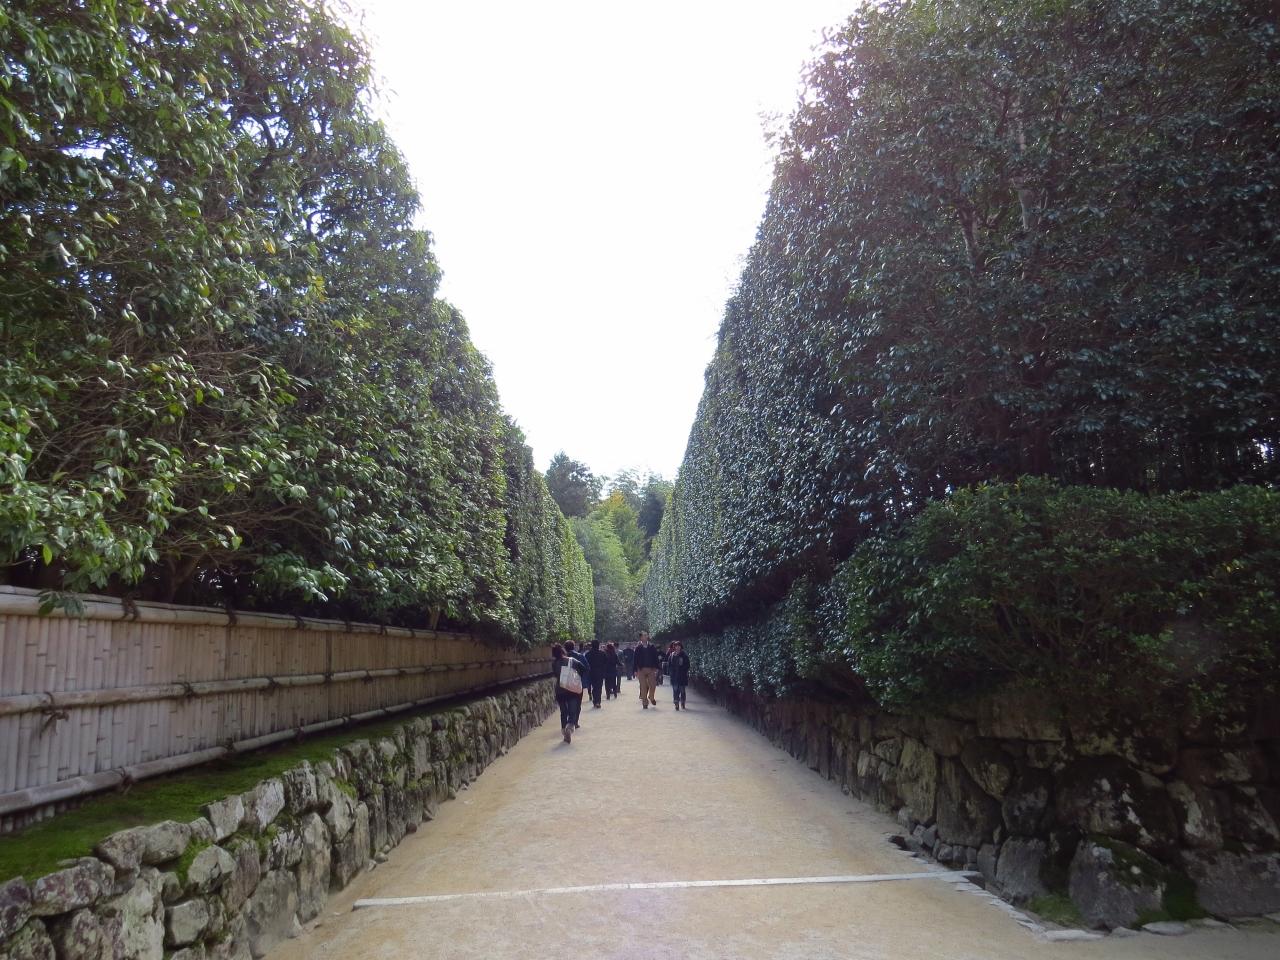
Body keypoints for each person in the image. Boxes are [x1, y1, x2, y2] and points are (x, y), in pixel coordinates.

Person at [550, 644, 585, 742]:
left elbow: (556, 675)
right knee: (572, 712)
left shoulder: (554, 664)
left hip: (560, 690)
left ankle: (564, 733)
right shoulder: (571, 660)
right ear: (563, 651)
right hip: (571, 690)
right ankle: (569, 728)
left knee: (563, 712)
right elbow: (583, 668)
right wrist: (577, 676)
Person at [563, 640, 589, 728]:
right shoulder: (580, 656)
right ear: (574, 647)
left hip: (565, 684)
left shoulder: (563, 657)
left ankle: (568, 721)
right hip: (577, 684)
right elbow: (587, 668)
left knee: (567, 703)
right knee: (577, 704)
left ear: (565, 648)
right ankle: (575, 722)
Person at [633, 632, 660, 708]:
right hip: (641, 669)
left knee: (653, 684)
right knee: (643, 686)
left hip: (651, 669)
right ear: (641, 637)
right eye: (644, 635)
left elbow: (656, 657)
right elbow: (635, 659)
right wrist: (635, 670)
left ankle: (651, 697)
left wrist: (657, 668)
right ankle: (645, 703)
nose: (646, 636)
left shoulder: (652, 647)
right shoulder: (638, 648)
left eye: (646, 635)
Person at [585, 639, 608, 708]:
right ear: (598, 645)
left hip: (591, 672)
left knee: (594, 687)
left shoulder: (588, 654)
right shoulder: (602, 653)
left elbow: (586, 664)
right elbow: (606, 663)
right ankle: (598, 701)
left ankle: (595, 701)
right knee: (599, 687)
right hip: (600, 672)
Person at [667, 640, 690, 710]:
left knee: (682, 690)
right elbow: (669, 665)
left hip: (682, 676)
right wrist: (671, 672)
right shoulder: (672, 655)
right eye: (676, 646)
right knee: (675, 690)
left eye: (678, 646)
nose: (677, 647)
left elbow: (688, 665)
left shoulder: (684, 655)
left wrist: (683, 669)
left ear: (681, 647)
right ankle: (676, 703)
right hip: (674, 676)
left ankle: (683, 702)